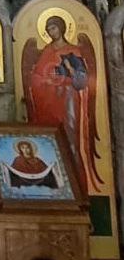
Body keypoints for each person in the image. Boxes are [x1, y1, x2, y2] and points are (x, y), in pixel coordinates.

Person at [26, 15, 91, 189]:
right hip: (48, 103)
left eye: (53, 28)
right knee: (50, 138)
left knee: (69, 139)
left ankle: (75, 184)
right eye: (48, 29)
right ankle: (54, 181)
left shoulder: (73, 51)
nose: (51, 32)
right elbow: (36, 78)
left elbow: (82, 82)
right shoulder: (47, 51)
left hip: (68, 101)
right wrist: (46, 80)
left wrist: (68, 73)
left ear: (61, 28)